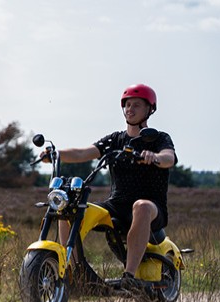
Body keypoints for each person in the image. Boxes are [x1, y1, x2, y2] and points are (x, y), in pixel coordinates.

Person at [46, 83, 177, 287]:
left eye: (136, 105)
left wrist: (156, 157)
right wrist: (56, 154)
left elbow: (169, 157)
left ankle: (129, 277)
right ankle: (72, 270)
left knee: (141, 206)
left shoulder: (158, 138)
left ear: (149, 109)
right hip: (116, 205)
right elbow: (82, 153)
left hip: (151, 208)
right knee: (68, 207)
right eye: (127, 105)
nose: (130, 109)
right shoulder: (115, 140)